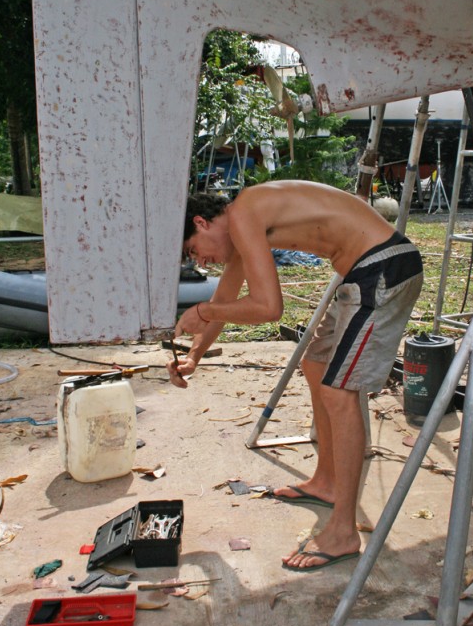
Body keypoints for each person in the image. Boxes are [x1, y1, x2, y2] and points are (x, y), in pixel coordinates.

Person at [169, 180, 423, 572]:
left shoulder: (244, 211)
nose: (201, 262)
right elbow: (226, 299)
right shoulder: (242, 222)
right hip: (360, 272)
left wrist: (202, 313)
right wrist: (194, 356)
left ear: (201, 223)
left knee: (339, 393)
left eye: (193, 251)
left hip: (384, 267)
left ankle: (343, 531)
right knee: (315, 363)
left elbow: (269, 307)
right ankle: (327, 481)